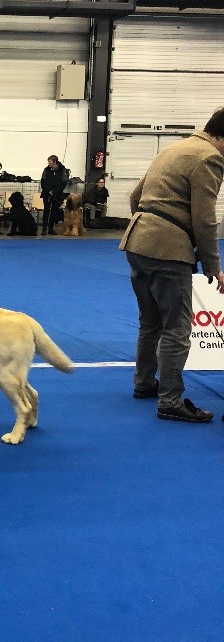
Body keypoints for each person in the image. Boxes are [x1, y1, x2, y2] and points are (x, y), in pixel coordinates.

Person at [119, 108, 224, 424]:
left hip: (137, 242)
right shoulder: (209, 158)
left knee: (150, 322)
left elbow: (135, 195)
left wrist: (150, 224)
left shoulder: (175, 148)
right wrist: (213, 268)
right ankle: (171, 401)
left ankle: (144, 383)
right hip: (168, 250)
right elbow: (205, 220)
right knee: (177, 327)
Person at [40, 154, 68, 236]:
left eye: (50, 161)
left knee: (54, 212)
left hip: (57, 195)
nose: (48, 163)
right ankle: (44, 229)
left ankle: (51, 229)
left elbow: (63, 183)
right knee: (46, 211)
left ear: (55, 162)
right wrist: (48, 190)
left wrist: (55, 191)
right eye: (48, 161)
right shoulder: (46, 170)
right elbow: (43, 182)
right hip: (47, 194)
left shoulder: (63, 171)